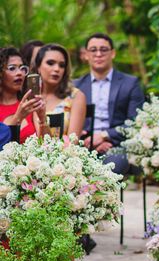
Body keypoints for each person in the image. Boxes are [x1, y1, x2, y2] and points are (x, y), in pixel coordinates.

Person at [74, 32, 145, 175]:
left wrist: (105, 136)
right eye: (93, 50)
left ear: (113, 53)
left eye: (103, 49)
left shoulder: (130, 83)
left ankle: (99, 197)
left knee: (115, 162)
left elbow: (136, 123)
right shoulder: (75, 86)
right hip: (82, 146)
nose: (98, 54)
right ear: (86, 55)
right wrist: (89, 142)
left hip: (118, 145)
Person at [34, 44, 86, 138]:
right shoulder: (32, 97)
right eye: (50, 63)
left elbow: (73, 143)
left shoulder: (76, 96)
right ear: (38, 67)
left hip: (66, 151)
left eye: (62, 65)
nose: (57, 69)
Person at [0, 47, 48, 142]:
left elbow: (48, 146)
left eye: (22, 68)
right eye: (12, 68)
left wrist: (42, 120)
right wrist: (18, 118)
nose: (19, 73)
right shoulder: (24, 109)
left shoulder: (29, 105)